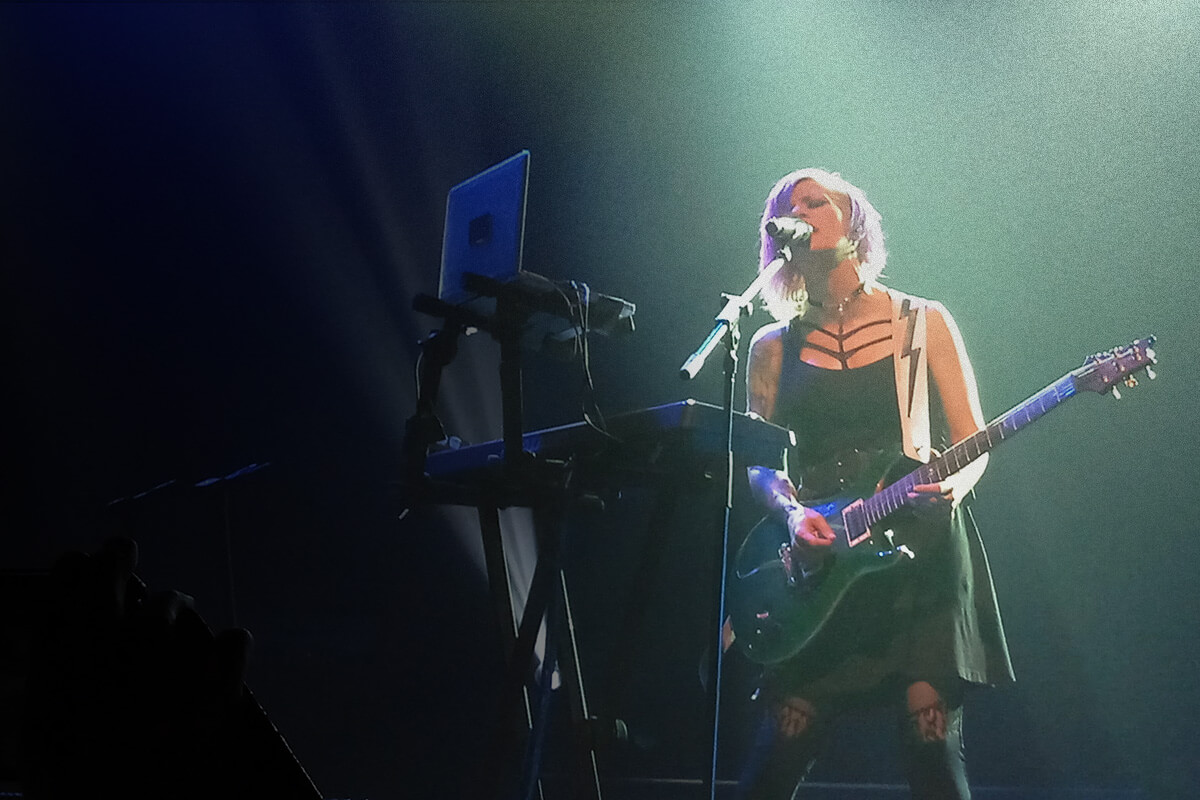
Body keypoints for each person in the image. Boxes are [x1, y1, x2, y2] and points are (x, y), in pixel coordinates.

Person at [731, 168, 1014, 799]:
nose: (799, 211)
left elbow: (972, 439)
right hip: (823, 557)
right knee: (781, 744)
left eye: (815, 200)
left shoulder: (924, 320)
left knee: (929, 740)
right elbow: (758, 461)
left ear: (852, 219)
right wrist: (788, 514)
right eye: (786, 207)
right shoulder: (771, 345)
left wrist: (954, 489)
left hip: (917, 547)